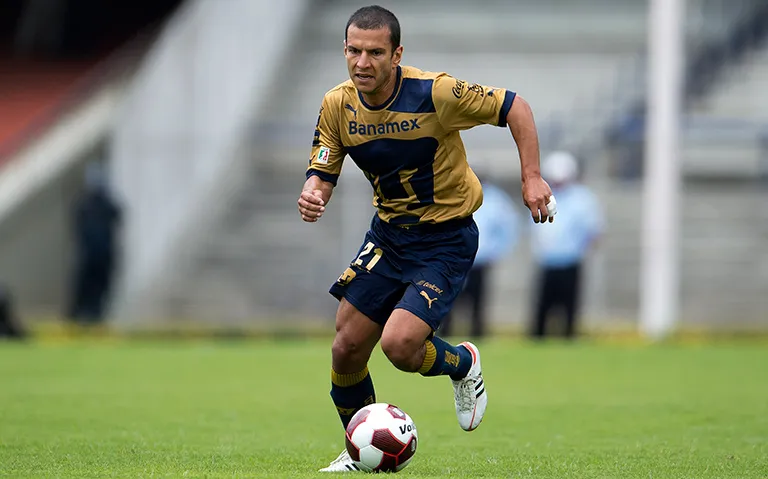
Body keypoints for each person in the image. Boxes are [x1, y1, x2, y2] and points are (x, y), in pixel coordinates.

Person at [296, 6, 557, 472]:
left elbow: (515, 106)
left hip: (445, 238)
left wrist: (531, 177)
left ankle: (463, 364)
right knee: (346, 347)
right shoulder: (337, 104)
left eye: (375, 53)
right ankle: (359, 449)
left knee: (399, 346)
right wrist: (313, 193)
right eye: (354, 51)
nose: (362, 63)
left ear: (396, 54)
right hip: (389, 235)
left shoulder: (436, 93)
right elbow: (323, 169)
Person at [529, 151, 603, 340]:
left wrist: (583, 251)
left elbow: (593, 230)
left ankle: (568, 336)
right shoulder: (542, 195)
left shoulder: (582, 198)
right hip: (547, 261)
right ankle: (538, 338)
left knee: (570, 306)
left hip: (571, 260)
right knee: (542, 306)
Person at [439, 179, 519, 339]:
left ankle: (477, 334)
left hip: (480, 260)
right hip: (454, 259)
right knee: (448, 301)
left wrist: (496, 252)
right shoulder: (452, 192)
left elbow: (509, 226)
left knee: (477, 302)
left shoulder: (495, 199)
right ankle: (446, 333)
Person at [67, 161, 121, 325]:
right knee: (89, 287)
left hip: (99, 254)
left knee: (96, 288)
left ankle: (91, 314)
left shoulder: (93, 205)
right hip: (95, 254)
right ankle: (84, 314)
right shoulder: (89, 205)